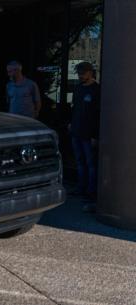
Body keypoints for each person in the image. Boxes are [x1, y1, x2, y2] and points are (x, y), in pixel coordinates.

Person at [70, 61, 100, 212]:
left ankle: (91, 191)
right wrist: (71, 124)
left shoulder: (97, 90)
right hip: (76, 131)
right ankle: (80, 188)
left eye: (83, 72)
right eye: (79, 73)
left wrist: (95, 135)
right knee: (80, 162)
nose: (80, 75)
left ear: (90, 73)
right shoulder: (78, 88)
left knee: (90, 164)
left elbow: (98, 115)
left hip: (89, 135)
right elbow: (75, 108)